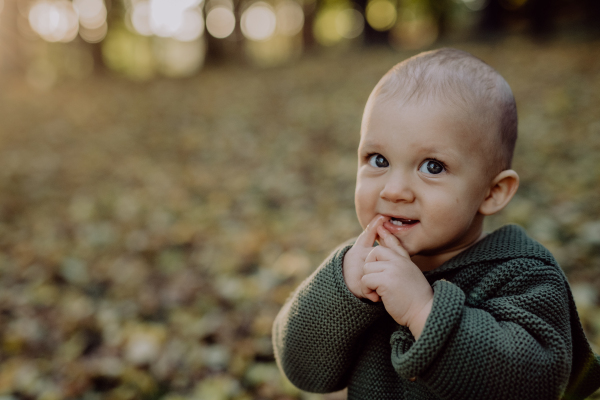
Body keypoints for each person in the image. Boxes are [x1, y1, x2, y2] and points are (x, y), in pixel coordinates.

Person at [272, 48, 600, 400]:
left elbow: (536, 383)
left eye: (432, 166)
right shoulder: (359, 268)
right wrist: (341, 291)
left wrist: (423, 311)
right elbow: (302, 371)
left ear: (492, 192)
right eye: (378, 159)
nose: (394, 190)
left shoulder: (523, 275)